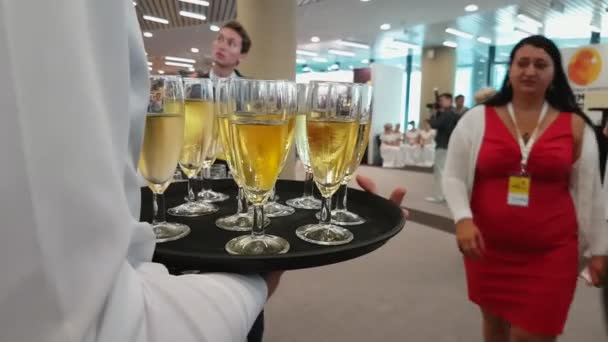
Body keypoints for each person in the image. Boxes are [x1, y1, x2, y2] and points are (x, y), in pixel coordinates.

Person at [443, 35, 608, 341]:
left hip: (552, 253)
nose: (530, 71)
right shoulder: (477, 119)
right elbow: (452, 175)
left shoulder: (575, 125)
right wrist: (462, 218)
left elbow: (592, 194)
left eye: (540, 64)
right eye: (522, 63)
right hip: (488, 250)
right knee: (495, 329)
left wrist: (599, 250)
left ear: (554, 73)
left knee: (532, 335)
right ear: (510, 70)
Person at [426, 93, 459, 202]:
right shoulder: (454, 113)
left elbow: (434, 124)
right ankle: (445, 195)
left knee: (440, 171)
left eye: (443, 100)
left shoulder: (447, 114)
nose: (440, 102)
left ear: (449, 100)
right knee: (445, 171)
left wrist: (432, 114)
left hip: (443, 144)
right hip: (450, 144)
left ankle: (439, 196)